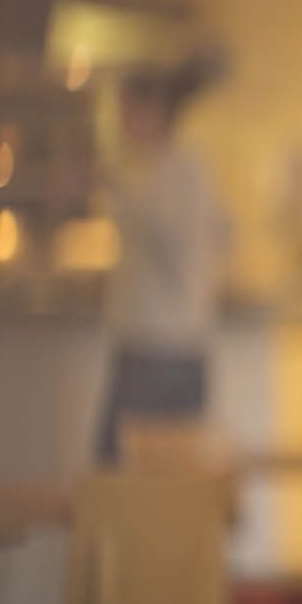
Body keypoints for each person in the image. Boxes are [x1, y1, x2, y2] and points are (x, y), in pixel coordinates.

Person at [96, 51, 229, 464]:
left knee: (125, 488)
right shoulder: (177, 169)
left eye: (126, 109)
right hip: (178, 350)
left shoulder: (169, 173)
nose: (121, 121)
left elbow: (174, 239)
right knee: (170, 488)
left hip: (156, 351)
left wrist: (117, 184)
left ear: (153, 110)